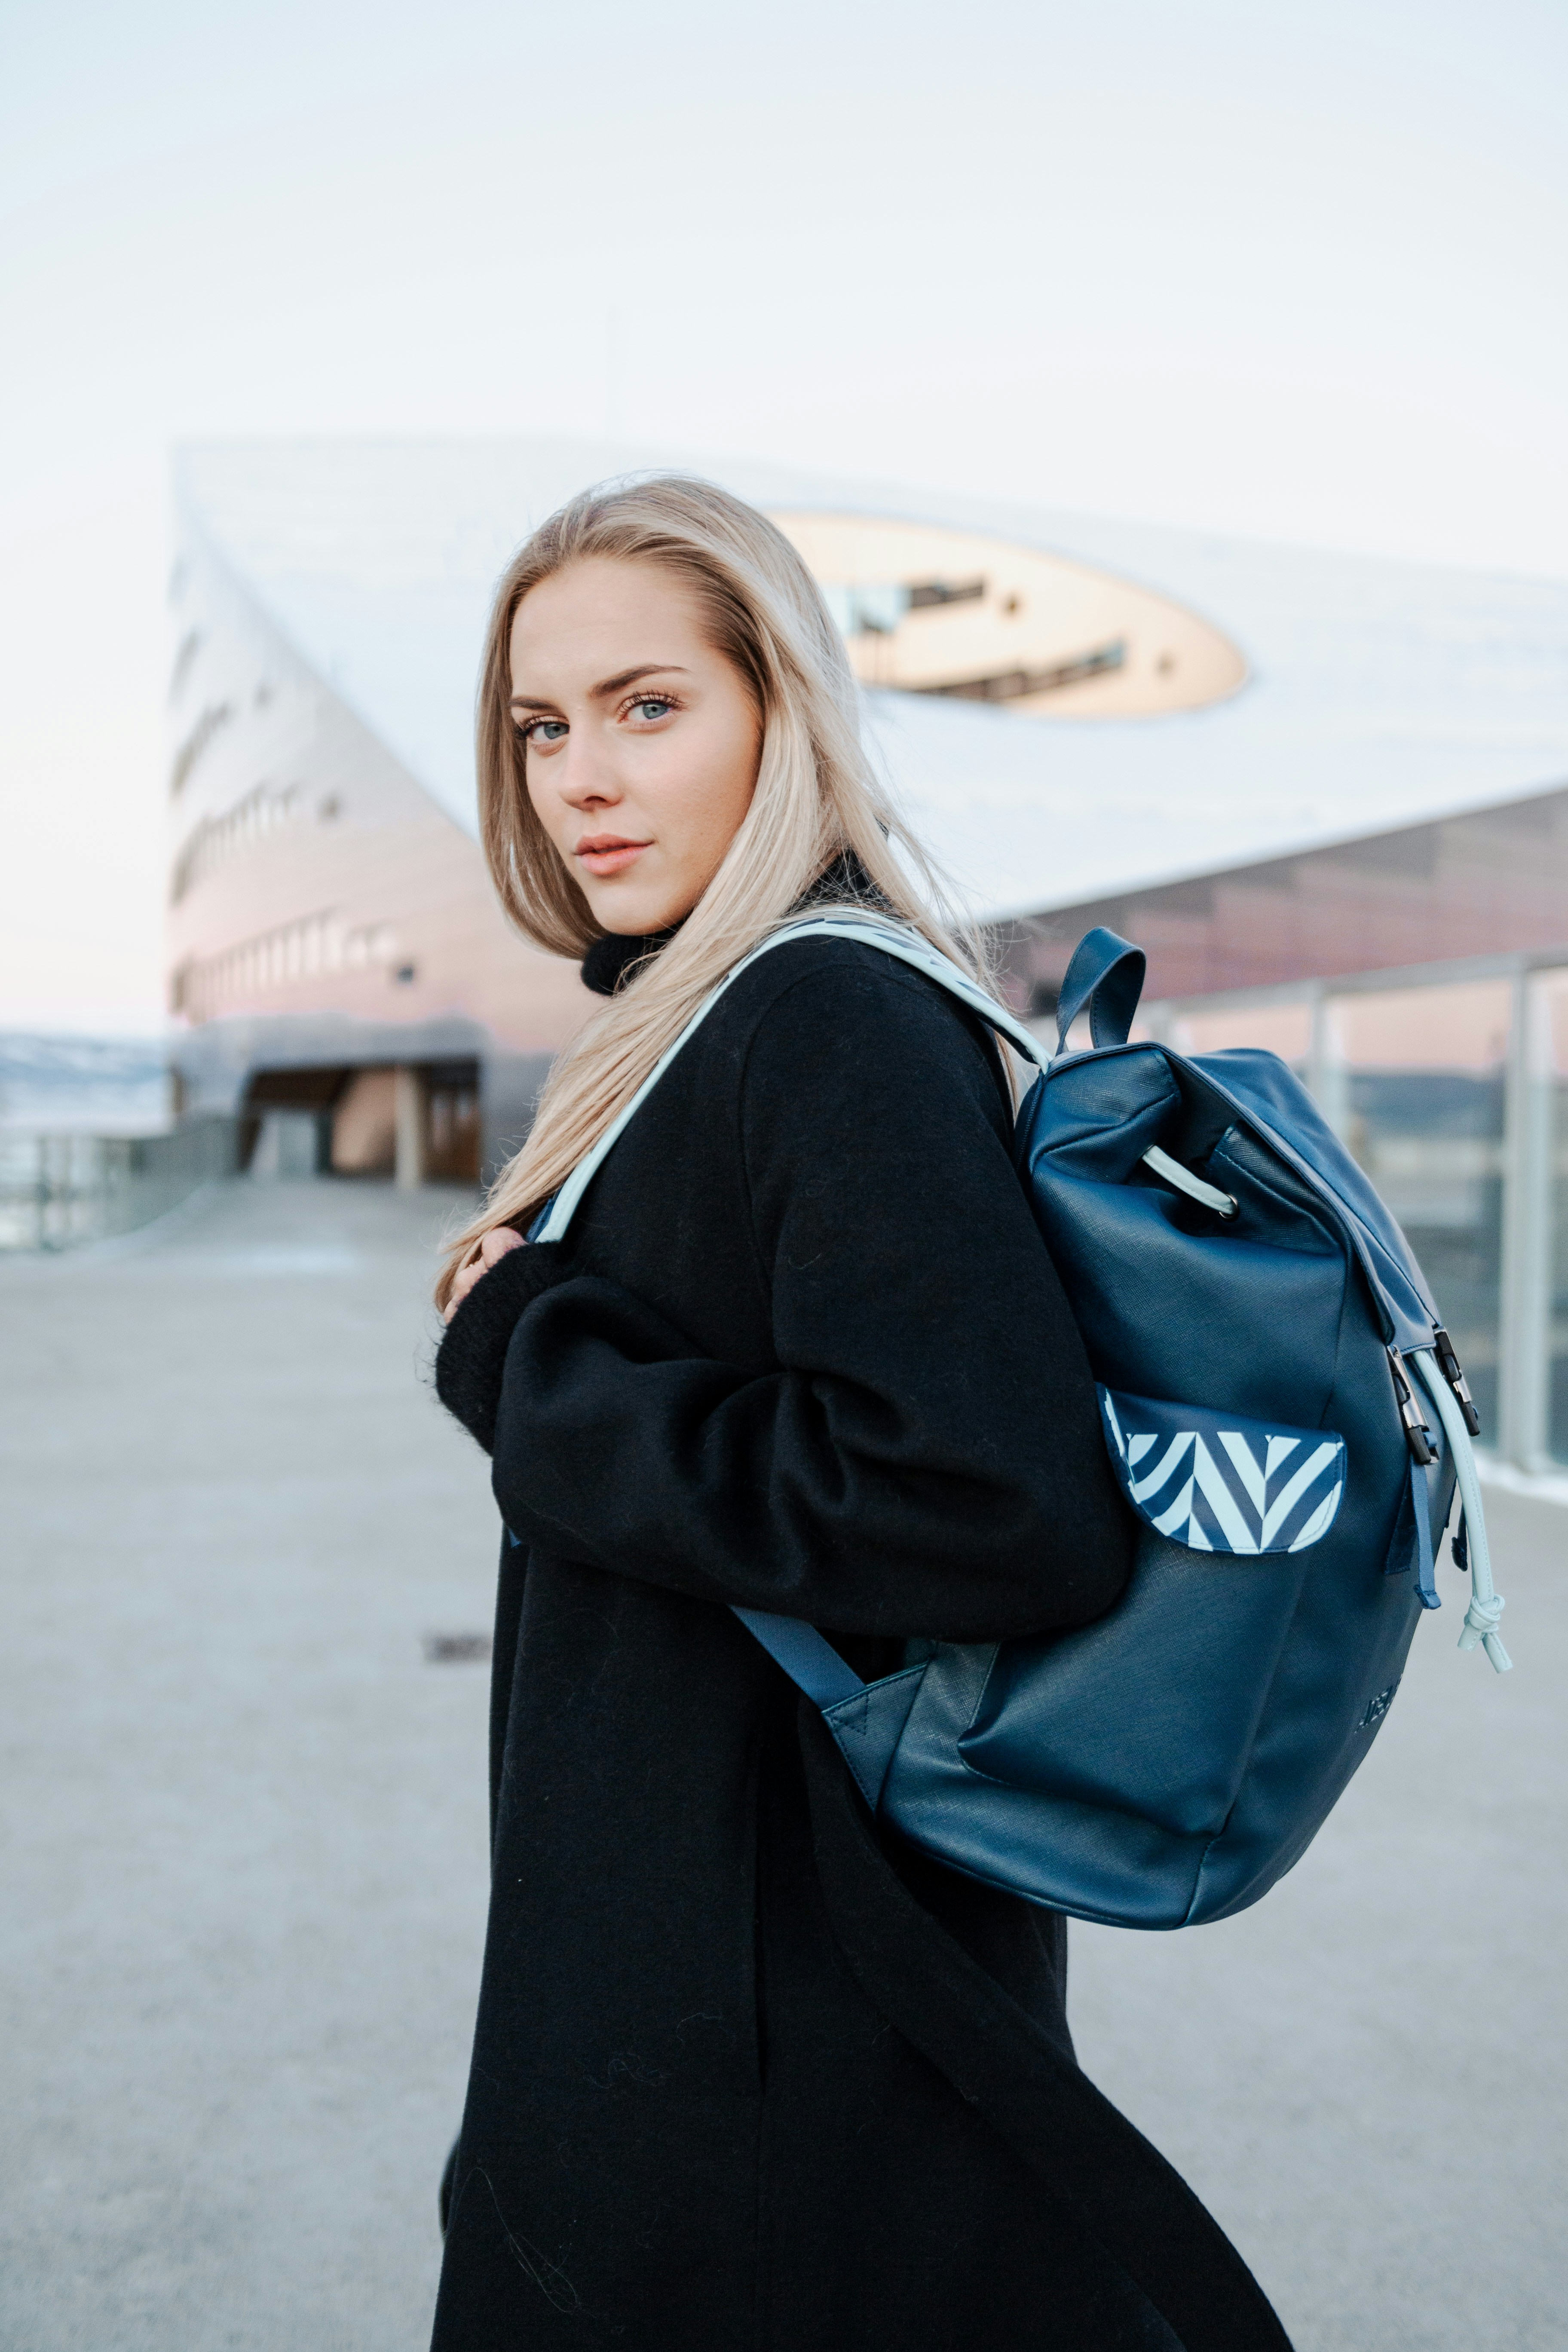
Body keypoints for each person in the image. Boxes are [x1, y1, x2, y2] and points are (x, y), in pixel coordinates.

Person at [428, 475, 1290, 2351]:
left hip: (772, 2014)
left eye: (650, 708)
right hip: (706, 1965)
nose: (582, 776)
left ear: (781, 713)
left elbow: (985, 1507)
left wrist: (529, 1367)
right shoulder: (706, 1011)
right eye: (543, 726)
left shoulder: (828, 1020)